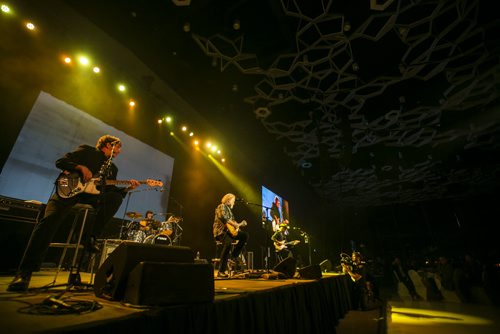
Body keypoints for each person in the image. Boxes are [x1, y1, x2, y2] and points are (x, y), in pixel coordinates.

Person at [7, 135, 140, 292]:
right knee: (48, 222)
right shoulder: (87, 151)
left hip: (90, 196)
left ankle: (90, 236)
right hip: (66, 191)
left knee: (115, 198)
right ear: (107, 145)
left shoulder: (112, 168)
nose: (119, 151)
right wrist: (80, 167)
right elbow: (61, 162)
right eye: (117, 147)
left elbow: (108, 190)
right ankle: (24, 273)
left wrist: (126, 188)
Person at [213, 193, 248, 278]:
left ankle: (233, 257)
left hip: (229, 231)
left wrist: (239, 226)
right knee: (228, 244)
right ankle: (221, 271)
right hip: (221, 231)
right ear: (228, 201)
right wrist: (235, 225)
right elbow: (223, 217)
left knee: (244, 235)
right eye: (233, 201)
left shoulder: (230, 211)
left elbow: (233, 224)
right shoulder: (222, 206)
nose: (234, 203)